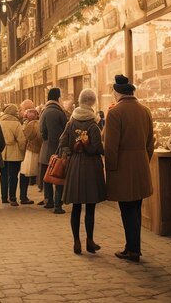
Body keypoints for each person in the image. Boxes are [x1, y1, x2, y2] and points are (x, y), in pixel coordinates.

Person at [104, 74, 154, 262]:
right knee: (136, 207)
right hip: (140, 164)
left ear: (116, 93)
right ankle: (134, 246)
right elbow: (151, 142)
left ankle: (132, 250)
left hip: (123, 167)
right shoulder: (145, 110)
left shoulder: (115, 112)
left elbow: (110, 145)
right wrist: (144, 160)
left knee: (127, 209)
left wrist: (110, 169)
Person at [59, 89, 106, 255]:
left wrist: (70, 153)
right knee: (90, 207)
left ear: (79, 101)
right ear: (92, 103)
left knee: (76, 206)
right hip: (91, 167)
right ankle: (90, 241)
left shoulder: (71, 123)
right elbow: (97, 149)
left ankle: (76, 242)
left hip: (75, 166)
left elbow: (62, 142)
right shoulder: (94, 124)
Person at [39, 87, 68, 214]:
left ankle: (48, 200)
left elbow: (42, 132)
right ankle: (58, 203)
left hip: (46, 149)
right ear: (58, 97)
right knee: (58, 175)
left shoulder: (44, 112)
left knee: (47, 176)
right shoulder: (60, 112)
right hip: (58, 149)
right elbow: (66, 130)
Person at [0, 104, 26, 206]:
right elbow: (21, 140)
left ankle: (4, 197)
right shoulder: (16, 123)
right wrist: (23, 151)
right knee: (13, 176)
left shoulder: (0, 122)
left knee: (3, 175)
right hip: (14, 153)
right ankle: (13, 197)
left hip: (2, 152)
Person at [19, 107, 42, 204]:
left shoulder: (29, 125)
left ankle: (23, 196)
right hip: (39, 151)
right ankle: (46, 197)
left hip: (30, 151)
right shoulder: (39, 124)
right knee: (41, 174)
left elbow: (25, 137)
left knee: (24, 174)